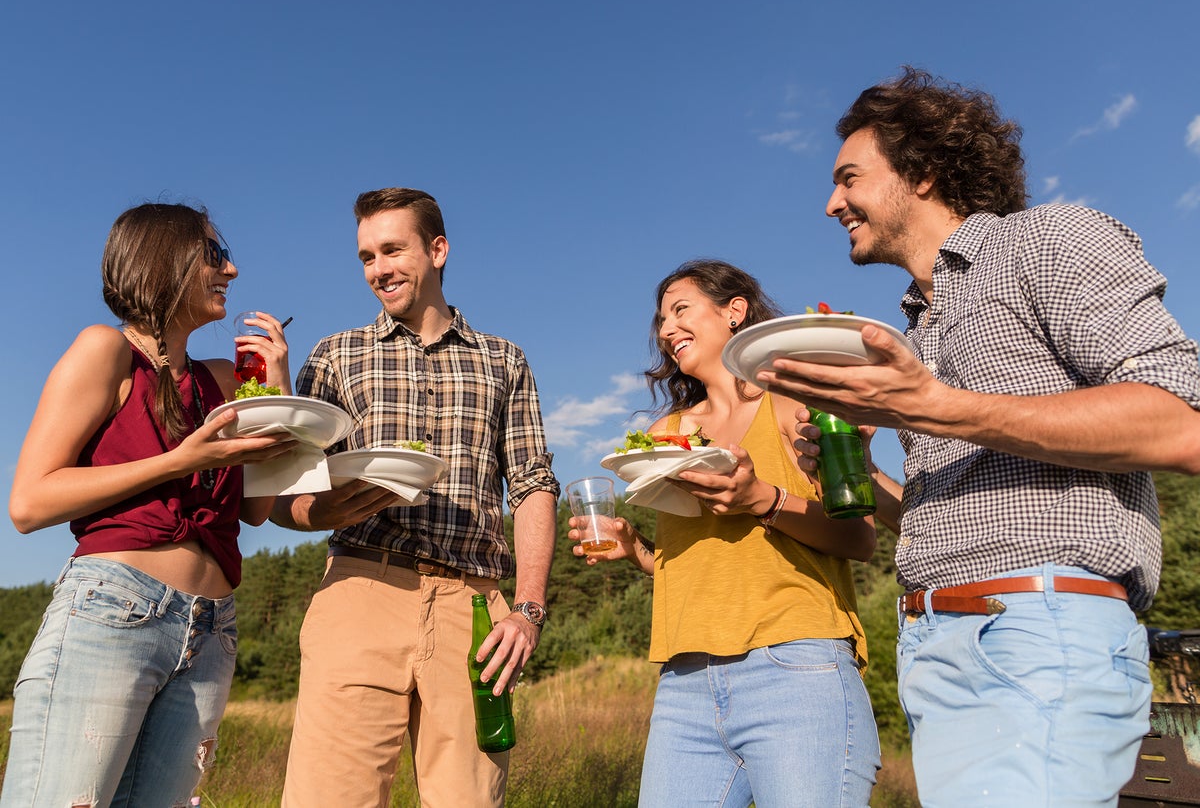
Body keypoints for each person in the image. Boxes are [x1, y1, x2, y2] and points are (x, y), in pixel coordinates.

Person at [759, 67, 1200, 807]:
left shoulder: (1048, 240)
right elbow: (958, 504)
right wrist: (871, 482)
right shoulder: (916, 326)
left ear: (924, 171)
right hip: (937, 645)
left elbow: (1180, 422)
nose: (832, 202)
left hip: (1038, 632)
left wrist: (933, 405)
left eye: (849, 177)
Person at [271, 187, 559, 808]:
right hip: (359, 591)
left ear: (438, 249)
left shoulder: (505, 361)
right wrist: (327, 510)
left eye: (392, 250)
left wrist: (527, 609)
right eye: (367, 257)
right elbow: (283, 494)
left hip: (475, 608)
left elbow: (533, 484)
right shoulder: (334, 357)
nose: (378, 270)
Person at [2, 202, 297, 807]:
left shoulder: (221, 378)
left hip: (213, 628)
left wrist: (276, 390)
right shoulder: (105, 352)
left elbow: (259, 508)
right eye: (215, 255)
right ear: (165, 261)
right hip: (114, 610)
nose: (232, 270)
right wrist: (180, 461)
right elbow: (29, 502)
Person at [570, 259, 880, 808]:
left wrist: (762, 499)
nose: (666, 330)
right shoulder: (666, 435)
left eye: (680, 310)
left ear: (734, 311)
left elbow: (861, 539)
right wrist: (636, 548)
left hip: (795, 666)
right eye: (661, 320)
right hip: (685, 679)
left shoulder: (792, 405)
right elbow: (693, 560)